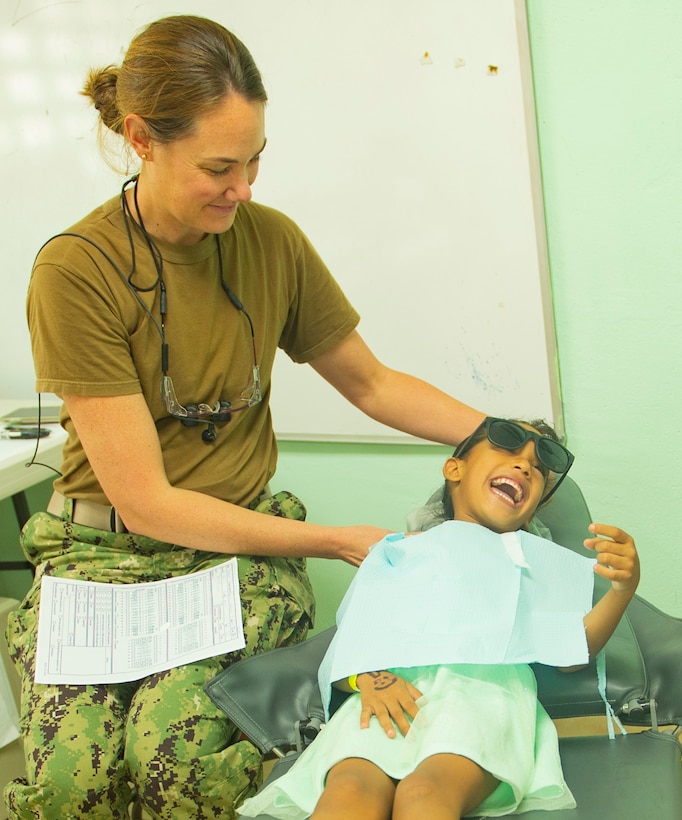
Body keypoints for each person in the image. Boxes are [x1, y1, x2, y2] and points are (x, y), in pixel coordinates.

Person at [3, 14, 486, 820]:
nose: (245, 187)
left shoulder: (271, 243)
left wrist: (501, 436)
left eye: (256, 159)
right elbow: (148, 502)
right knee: (69, 790)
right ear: (141, 138)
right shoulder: (77, 270)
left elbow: (367, 382)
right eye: (219, 167)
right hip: (99, 559)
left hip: (227, 553)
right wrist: (336, 540)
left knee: (178, 770)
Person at [237, 417, 640, 819]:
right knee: (347, 794)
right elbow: (351, 646)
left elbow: (571, 652)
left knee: (424, 795)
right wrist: (369, 680)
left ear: (536, 505)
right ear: (454, 469)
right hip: (387, 695)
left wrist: (623, 590)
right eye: (508, 449)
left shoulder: (531, 561)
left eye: (537, 468)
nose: (524, 466)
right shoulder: (397, 552)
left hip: (483, 696)